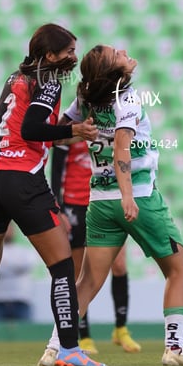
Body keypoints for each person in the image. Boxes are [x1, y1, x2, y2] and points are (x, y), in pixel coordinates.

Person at [0, 23, 106, 366]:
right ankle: (67, 349)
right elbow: (31, 129)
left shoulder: (15, 79)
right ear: (49, 55)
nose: (73, 58)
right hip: (22, 181)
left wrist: (70, 135)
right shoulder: (47, 81)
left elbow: (24, 134)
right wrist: (74, 129)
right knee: (63, 266)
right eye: (68, 52)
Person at [39, 44, 183, 366]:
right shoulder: (127, 97)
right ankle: (174, 347)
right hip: (139, 196)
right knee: (178, 270)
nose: (125, 51)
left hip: (98, 203)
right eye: (117, 53)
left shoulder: (86, 98)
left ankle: (54, 347)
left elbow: (56, 135)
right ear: (115, 73)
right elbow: (122, 150)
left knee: (86, 282)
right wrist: (128, 195)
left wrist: (78, 132)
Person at [51, 140, 141, 353]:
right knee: (79, 270)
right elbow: (56, 169)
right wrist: (59, 208)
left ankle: (121, 329)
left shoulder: (110, 124)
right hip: (75, 205)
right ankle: (84, 335)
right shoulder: (72, 125)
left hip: (104, 199)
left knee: (119, 264)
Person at [0, 221, 38, 321]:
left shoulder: (23, 251)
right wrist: (16, 269)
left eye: (10, 228)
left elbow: (28, 264)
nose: (8, 231)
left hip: (21, 300)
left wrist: (3, 266)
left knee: (24, 334)